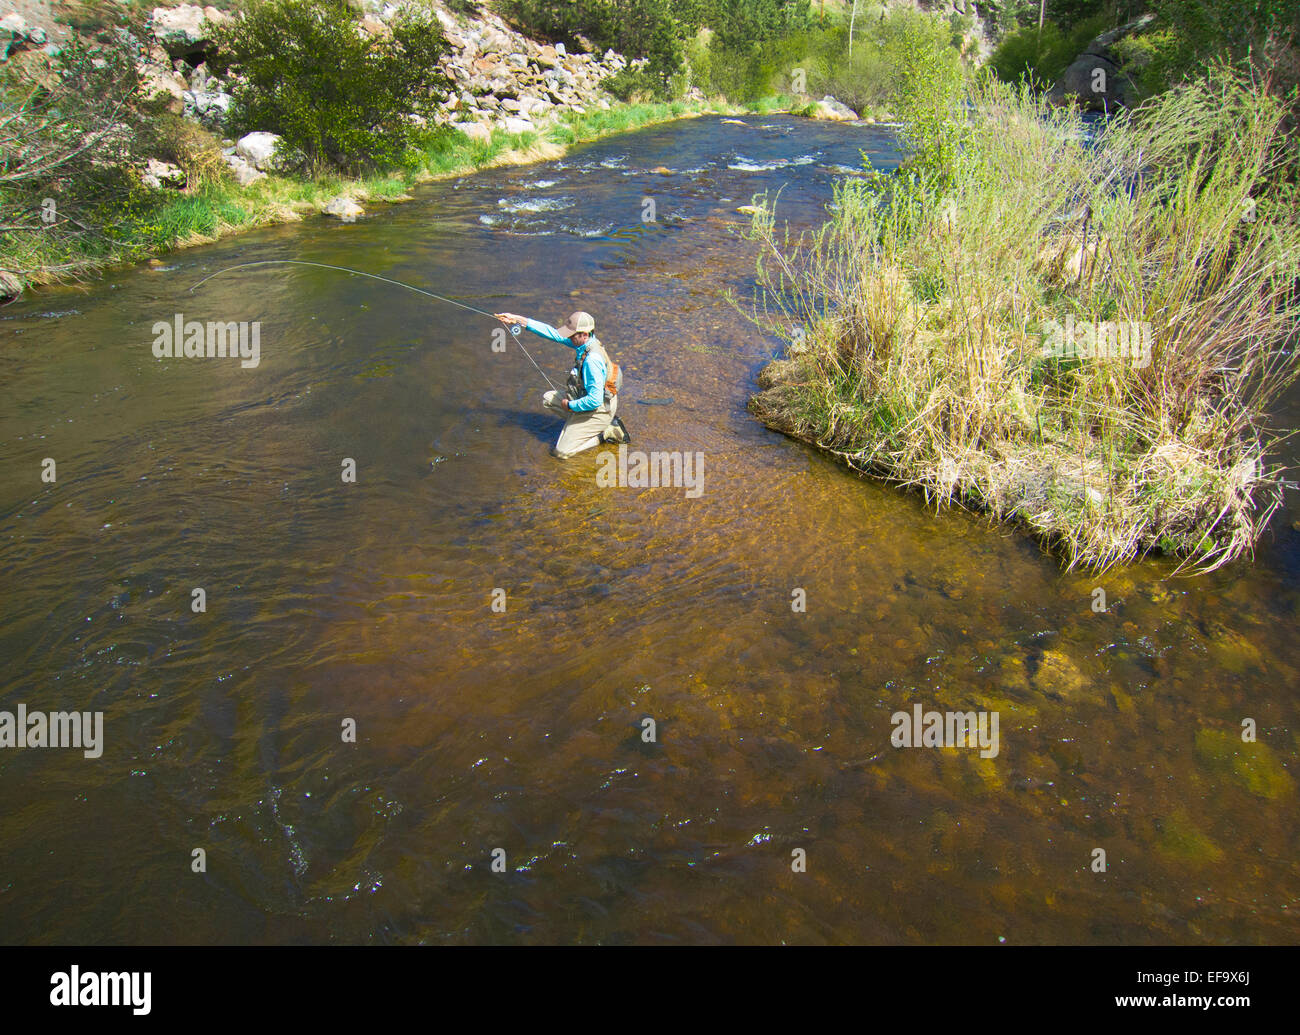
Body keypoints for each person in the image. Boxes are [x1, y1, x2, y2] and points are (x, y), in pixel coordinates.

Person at [493, 309, 630, 458]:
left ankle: (605, 432)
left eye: (571, 335)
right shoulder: (587, 342)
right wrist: (517, 319)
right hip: (597, 401)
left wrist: (570, 406)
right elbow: (553, 334)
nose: (568, 338)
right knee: (548, 399)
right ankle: (579, 427)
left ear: (584, 334)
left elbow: (595, 400)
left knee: (562, 452)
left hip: (601, 409)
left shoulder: (592, 361)